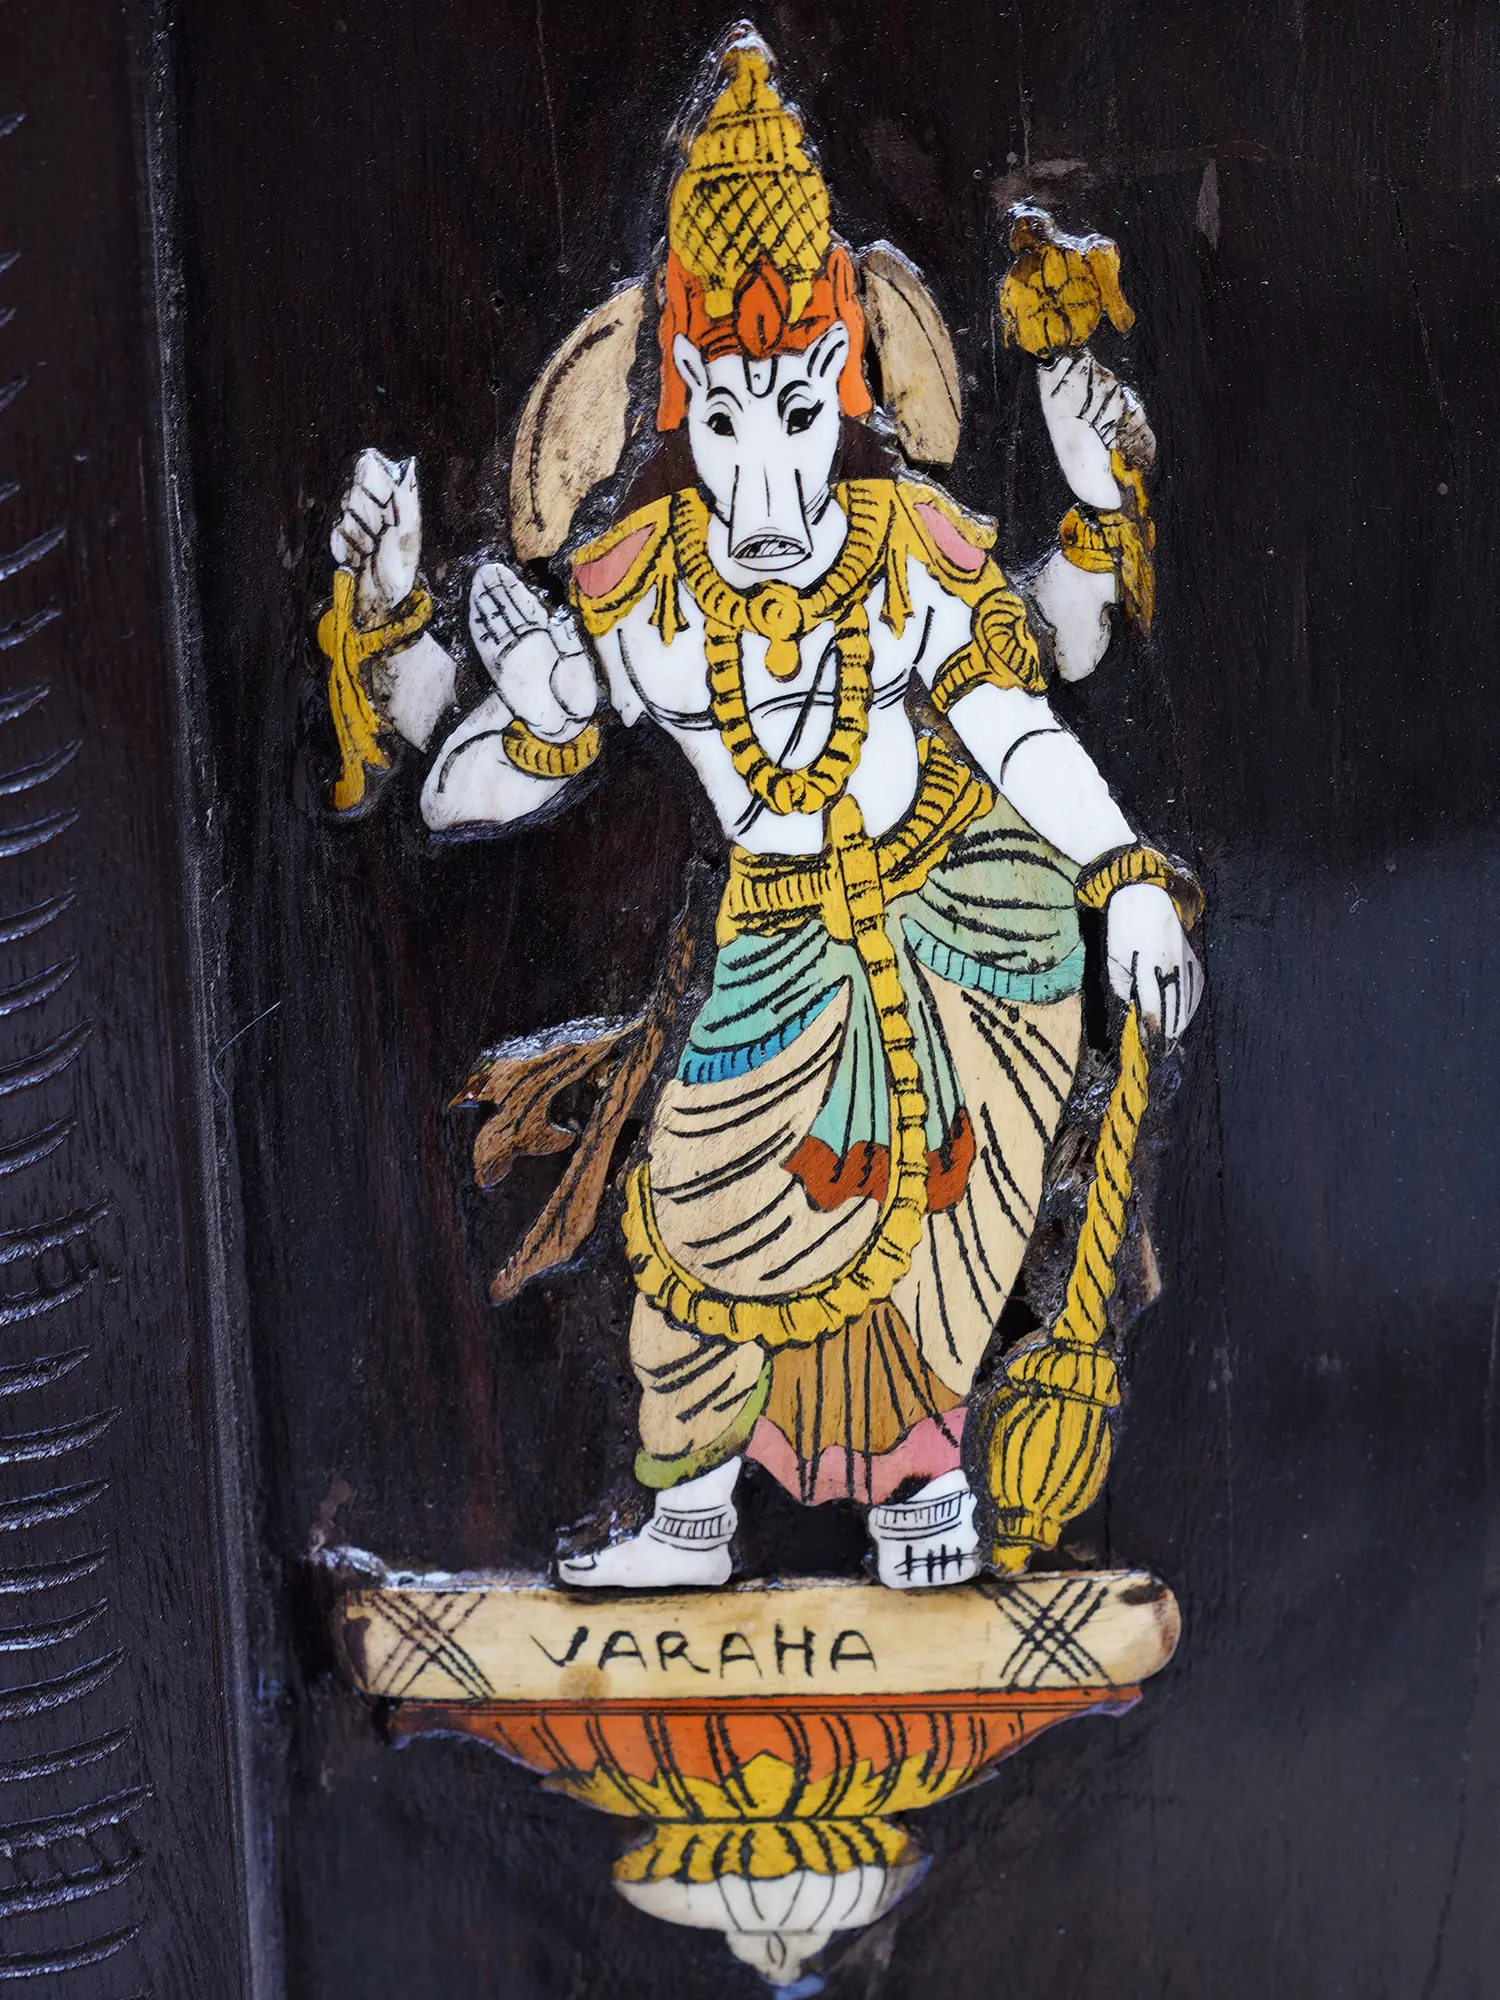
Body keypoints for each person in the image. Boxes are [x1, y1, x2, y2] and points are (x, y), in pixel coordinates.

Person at [325, 32, 1201, 1591]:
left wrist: (1125, 874)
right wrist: (480, 670)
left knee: (933, 1222)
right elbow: (458, 794)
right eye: (726, 426)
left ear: (843, 390)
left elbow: (1011, 726)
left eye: (797, 416)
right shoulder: (648, 591)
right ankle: (685, 1518)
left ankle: (923, 1490)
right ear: (678, 408)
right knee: (694, 1207)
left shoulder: (904, 552)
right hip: (776, 939)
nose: (769, 478)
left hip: (964, 915)